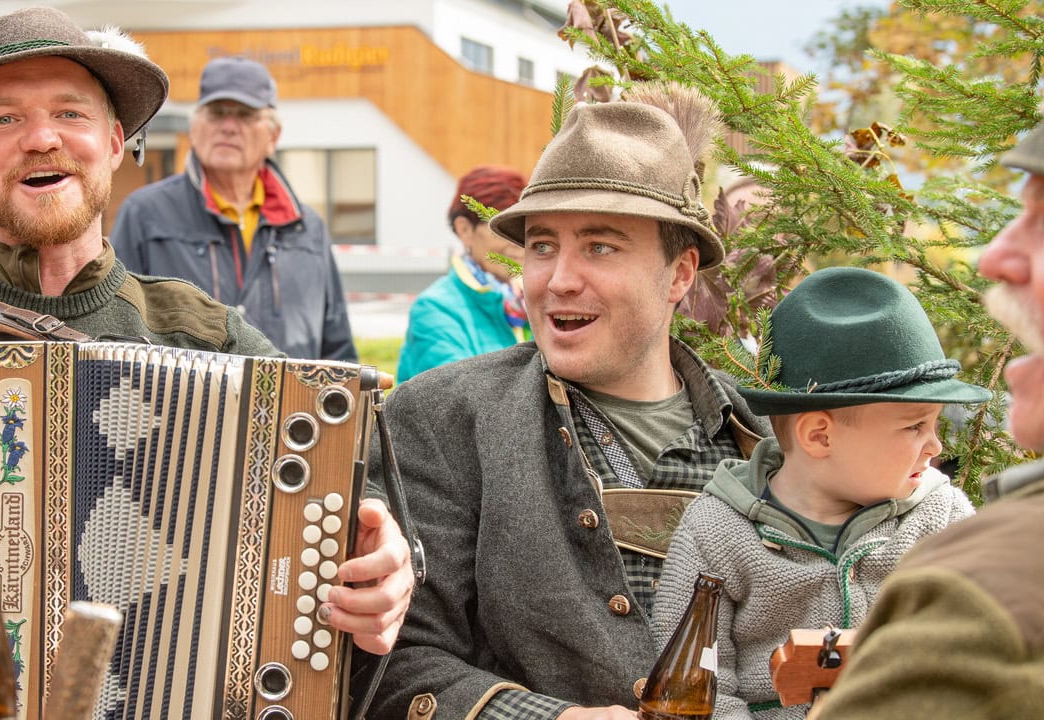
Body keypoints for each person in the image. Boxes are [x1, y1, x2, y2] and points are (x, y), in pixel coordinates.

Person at [0, 6, 411, 654]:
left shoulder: (213, 338)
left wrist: (382, 559)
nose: (41, 139)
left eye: (69, 114)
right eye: (5, 118)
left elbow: (352, 494)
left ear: (114, 142)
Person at [365, 84, 771, 719]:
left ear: (681, 273)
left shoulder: (766, 445)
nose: (558, 280)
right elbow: (390, 658)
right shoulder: (443, 418)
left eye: (600, 246)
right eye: (542, 245)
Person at [651, 266, 990, 720]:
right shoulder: (716, 532)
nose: (935, 446)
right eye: (915, 426)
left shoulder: (942, 518)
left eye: (934, 424)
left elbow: (993, 646)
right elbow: (699, 690)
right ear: (820, 436)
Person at [808, 119, 1044, 720]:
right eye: (912, 425)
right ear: (817, 435)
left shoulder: (985, 588)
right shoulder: (726, 523)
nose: (994, 258)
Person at [109, 56, 356, 362]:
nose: (228, 127)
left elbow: (337, 348)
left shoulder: (307, 227)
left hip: (291, 407)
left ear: (273, 137)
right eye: (216, 114)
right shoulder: (146, 214)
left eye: (244, 115)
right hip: (184, 406)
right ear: (194, 130)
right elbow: (115, 329)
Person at [396, 165, 529, 382]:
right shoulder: (435, 309)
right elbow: (460, 402)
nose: (518, 242)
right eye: (503, 228)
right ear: (464, 229)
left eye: (525, 227)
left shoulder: (529, 300)